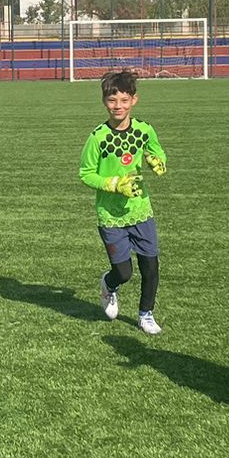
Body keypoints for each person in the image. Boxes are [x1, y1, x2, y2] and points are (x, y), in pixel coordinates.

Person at [80, 69, 168, 335]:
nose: (118, 106)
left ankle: (146, 314)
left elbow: (157, 151)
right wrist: (114, 184)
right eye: (112, 100)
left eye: (124, 100)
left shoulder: (144, 130)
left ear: (134, 100)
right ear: (104, 101)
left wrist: (157, 162)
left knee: (150, 264)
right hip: (110, 214)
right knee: (124, 271)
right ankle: (109, 285)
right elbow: (85, 173)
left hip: (141, 209)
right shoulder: (97, 137)